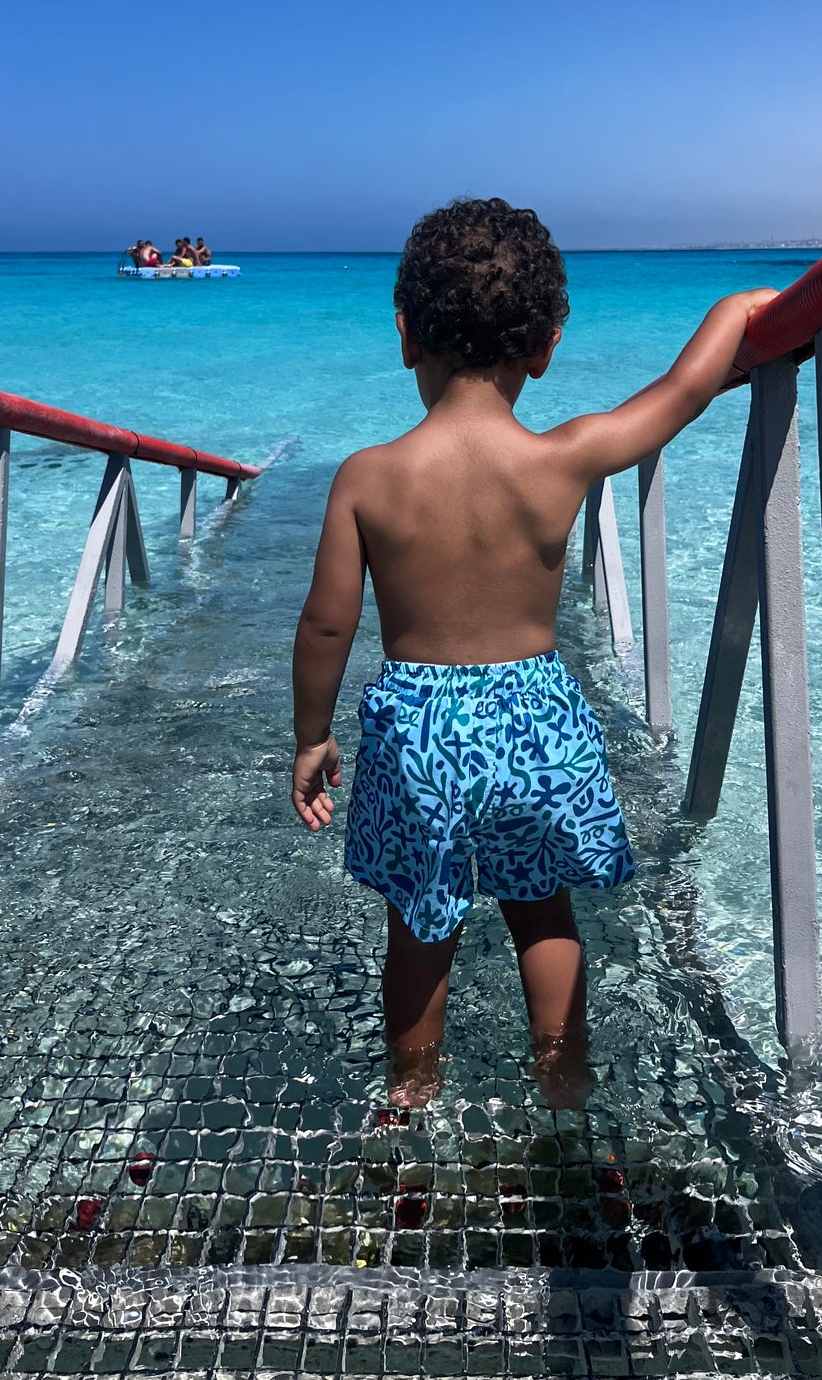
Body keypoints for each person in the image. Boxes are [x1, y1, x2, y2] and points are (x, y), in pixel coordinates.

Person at [290, 197, 776, 1107]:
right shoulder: (566, 456)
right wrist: (733, 313)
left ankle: (412, 1089)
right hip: (537, 721)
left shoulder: (367, 475)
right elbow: (677, 395)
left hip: (419, 734)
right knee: (543, 908)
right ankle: (563, 1076)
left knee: (419, 920)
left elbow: (325, 624)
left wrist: (310, 738)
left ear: (406, 336)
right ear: (545, 346)